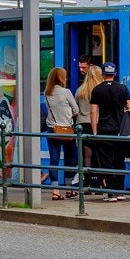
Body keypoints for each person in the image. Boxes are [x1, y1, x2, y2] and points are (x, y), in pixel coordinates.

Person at [88, 61, 130, 201]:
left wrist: (95, 131)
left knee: (107, 161)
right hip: (120, 131)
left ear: (102, 74)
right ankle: (120, 192)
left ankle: (111, 193)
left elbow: (93, 112)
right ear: (115, 74)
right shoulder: (123, 88)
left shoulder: (97, 90)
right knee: (120, 160)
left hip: (105, 130)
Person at [44, 66, 81, 200]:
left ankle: (55, 190)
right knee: (69, 159)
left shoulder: (47, 93)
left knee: (54, 160)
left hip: (52, 129)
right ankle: (69, 188)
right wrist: (68, 115)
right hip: (67, 130)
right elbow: (76, 109)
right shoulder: (66, 92)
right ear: (61, 77)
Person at [76, 63, 102, 192]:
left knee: (87, 154)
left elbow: (76, 109)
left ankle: (87, 182)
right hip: (96, 122)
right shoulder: (100, 90)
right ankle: (99, 182)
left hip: (82, 123)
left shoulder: (80, 90)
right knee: (98, 152)